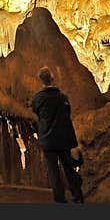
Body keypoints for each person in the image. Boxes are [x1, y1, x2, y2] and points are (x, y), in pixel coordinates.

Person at [30, 66, 84, 203]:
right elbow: (67, 115)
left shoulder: (38, 98)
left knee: (54, 172)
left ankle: (60, 199)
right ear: (52, 78)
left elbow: (36, 113)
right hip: (64, 139)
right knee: (69, 168)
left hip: (48, 140)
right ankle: (77, 196)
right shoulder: (62, 97)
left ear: (40, 80)